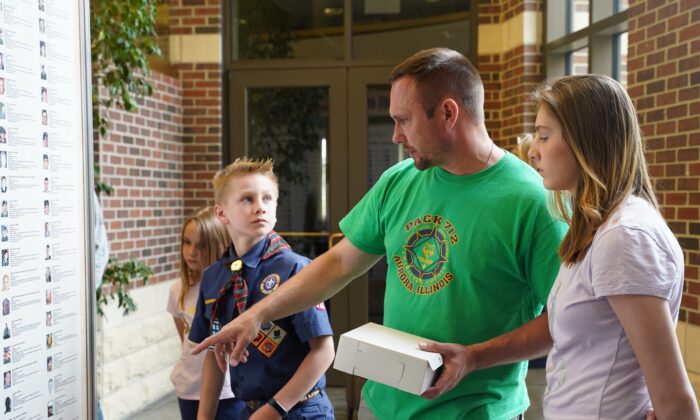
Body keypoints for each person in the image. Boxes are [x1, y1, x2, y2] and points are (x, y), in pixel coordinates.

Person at [193, 49, 565, 419]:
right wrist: (258, 314)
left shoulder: (534, 202)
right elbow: (338, 264)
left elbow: (561, 319)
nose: (395, 135)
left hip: (475, 411)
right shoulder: (398, 181)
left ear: (449, 113)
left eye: (404, 120)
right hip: (383, 405)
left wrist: (475, 357)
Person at [526, 75, 700, 418]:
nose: (533, 150)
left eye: (545, 137)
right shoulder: (598, 229)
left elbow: (674, 400)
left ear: (587, 142)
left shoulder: (625, 236)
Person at [188, 158, 335, 420]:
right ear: (221, 213)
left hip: (302, 410)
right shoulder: (214, 278)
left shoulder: (296, 270)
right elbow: (214, 353)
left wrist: (276, 409)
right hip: (252, 410)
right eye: (247, 199)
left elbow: (324, 352)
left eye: (267, 199)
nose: (260, 208)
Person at [166, 207, 244, 420]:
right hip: (188, 388)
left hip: (227, 391)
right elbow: (187, 339)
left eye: (200, 246)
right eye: (186, 242)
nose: (191, 252)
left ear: (217, 245)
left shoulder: (234, 288)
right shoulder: (177, 290)